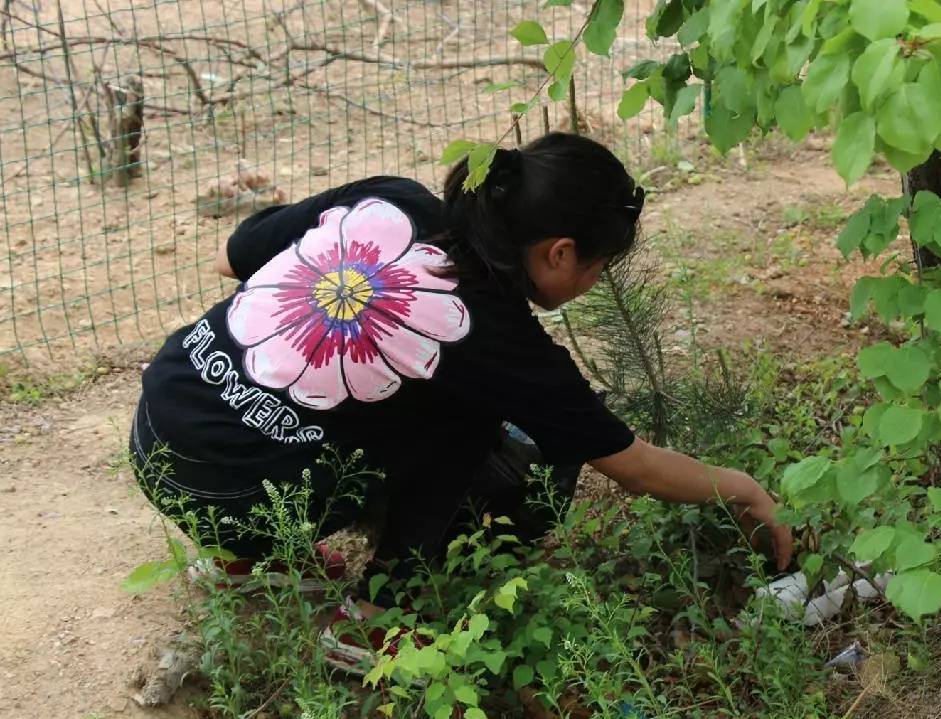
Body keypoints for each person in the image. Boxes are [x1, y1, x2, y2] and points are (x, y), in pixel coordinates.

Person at [130, 132, 793, 671]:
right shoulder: (502, 342)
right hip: (231, 489)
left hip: (159, 425)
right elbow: (635, 465)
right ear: (559, 253)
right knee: (499, 438)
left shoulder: (389, 201)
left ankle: (241, 558)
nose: (595, 281)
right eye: (598, 267)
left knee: (404, 390)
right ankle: (374, 619)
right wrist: (746, 489)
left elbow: (233, 259)